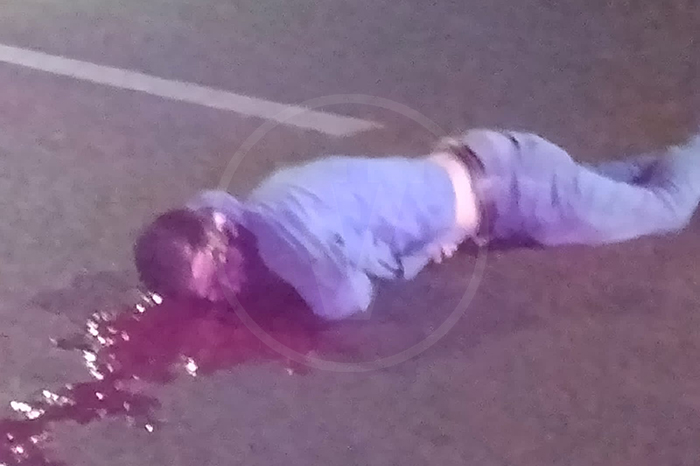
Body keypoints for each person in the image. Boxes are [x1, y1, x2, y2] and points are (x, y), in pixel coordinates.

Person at [134, 129, 700, 320]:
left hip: (518, 193)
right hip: (490, 161)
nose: (226, 289)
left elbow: (346, 301)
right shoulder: (247, 206)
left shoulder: (286, 241)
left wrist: (400, 253)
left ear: (218, 236)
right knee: (629, 186)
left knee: (667, 209)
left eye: (220, 273)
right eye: (211, 292)